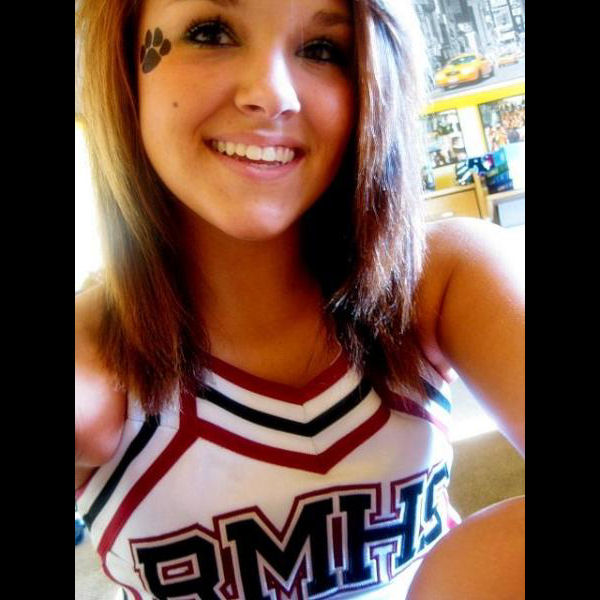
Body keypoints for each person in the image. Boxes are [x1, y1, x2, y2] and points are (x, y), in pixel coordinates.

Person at [75, 0, 524, 598]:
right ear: (124, 64)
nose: (272, 94)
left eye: (322, 49)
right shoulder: (93, 360)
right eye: (211, 33)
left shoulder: (442, 276)